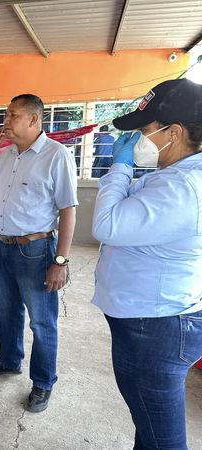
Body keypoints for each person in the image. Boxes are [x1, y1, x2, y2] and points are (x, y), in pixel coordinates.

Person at [91, 78, 202, 449]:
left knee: (161, 437)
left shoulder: (182, 187)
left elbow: (107, 224)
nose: (137, 139)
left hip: (156, 328)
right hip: (150, 319)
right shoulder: (173, 176)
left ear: (174, 132)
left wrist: (119, 167)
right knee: (148, 422)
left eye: (144, 130)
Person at [0, 94, 78, 413]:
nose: (6, 120)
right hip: (2, 246)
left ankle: (43, 382)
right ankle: (9, 360)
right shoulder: (6, 155)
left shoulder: (56, 155)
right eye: (6, 114)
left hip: (36, 250)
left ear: (33, 119)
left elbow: (68, 210)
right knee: (5, 310)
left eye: (12, 115)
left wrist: (60, 261)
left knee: (42, 322)